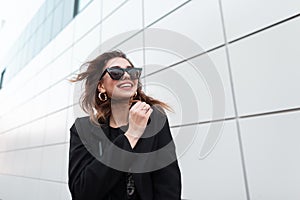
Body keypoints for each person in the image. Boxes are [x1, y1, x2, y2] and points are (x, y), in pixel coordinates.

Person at [68, 50, 181, 200]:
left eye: (132, 72)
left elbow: (169, 186)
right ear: (101, 86)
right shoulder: (83, 129)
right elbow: (82, 192)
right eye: (116, 72)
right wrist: (131, 135)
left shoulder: (154, 120)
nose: (127, 75)